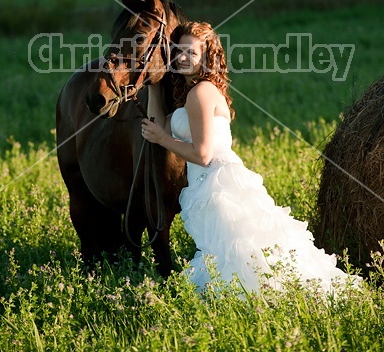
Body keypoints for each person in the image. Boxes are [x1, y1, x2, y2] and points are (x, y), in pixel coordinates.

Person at [141, 21, 361, 294]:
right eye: (179, 51)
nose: (182, 57)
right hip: (210, 183)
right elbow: (157, 126)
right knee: (234, 255)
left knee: (237, 257)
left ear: (207, 58)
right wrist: (152, 83)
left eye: (192, 52)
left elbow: (203, 154)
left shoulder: (200, 93)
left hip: (217, 185)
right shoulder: (197, 91)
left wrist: (163, 140)